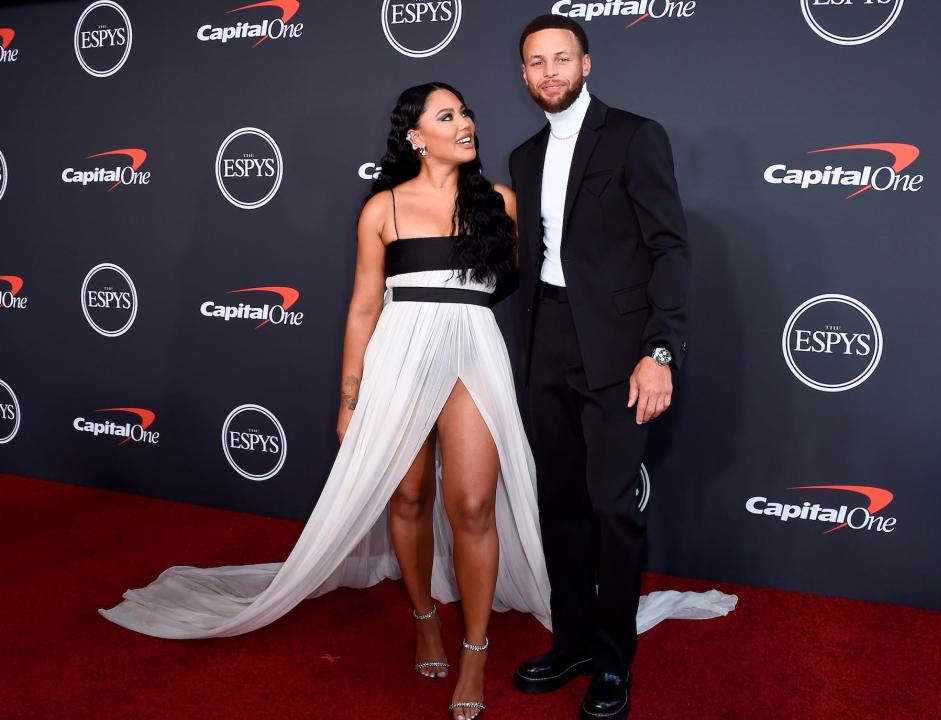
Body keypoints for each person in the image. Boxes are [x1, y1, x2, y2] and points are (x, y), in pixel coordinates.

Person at [100, 82, 734, 720]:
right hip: (399, 355)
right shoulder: (382, 209)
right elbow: (362, 309)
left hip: (473, 353)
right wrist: (350, 396)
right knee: (406, 496)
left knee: (475, 504)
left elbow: (555, 279)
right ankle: (425, 616)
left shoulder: (504, 202)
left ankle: (477, 648)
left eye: (467, 113)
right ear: (414, 135)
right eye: (448, 115)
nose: (466, 123)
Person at [508, 15, 700, 720]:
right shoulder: (523, 158)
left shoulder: (633, 136)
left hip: (622, 351)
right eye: (536, 62)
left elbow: (669, 250)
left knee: (612, 508)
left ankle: (615, 662)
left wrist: (660, 351)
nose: (550, 72)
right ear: (523, 76)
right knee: (558, 504)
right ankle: (575, 642)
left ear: (586, 65)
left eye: (562, 59)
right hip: (547, 342)